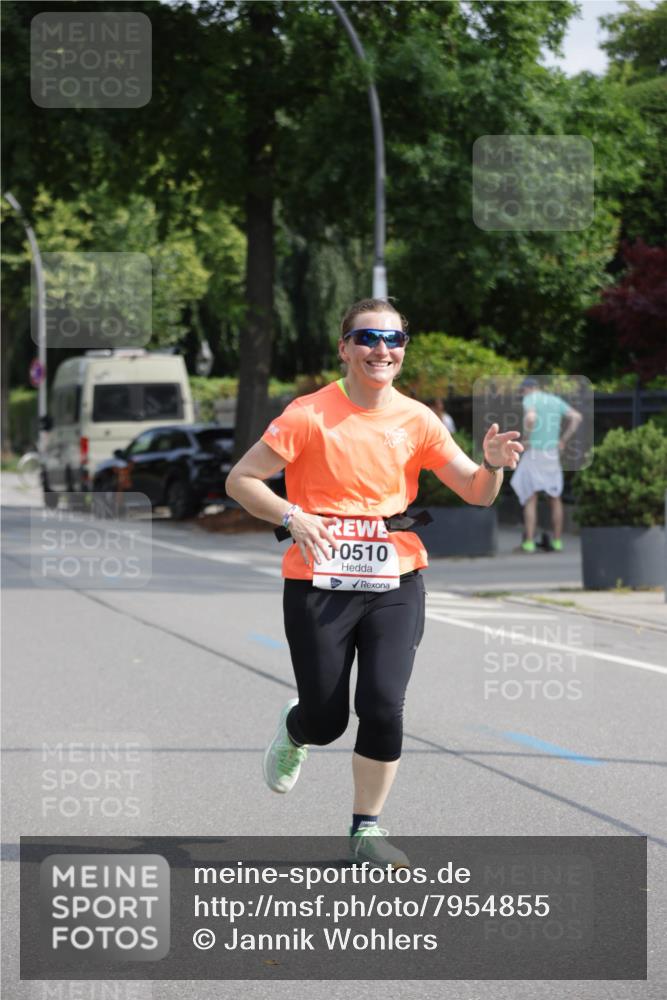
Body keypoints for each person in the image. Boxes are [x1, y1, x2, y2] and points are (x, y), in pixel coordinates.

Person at [225, 298, 523, 868]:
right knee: (327, 719)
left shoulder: (418, 419)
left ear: (403, 350)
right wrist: (293, 516)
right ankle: (297, 728)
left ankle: (366, 829)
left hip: (396, 575)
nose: (381, 349)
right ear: (344, 347)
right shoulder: (308, 414)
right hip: (317, 578)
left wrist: (492, 465)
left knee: (384, 703)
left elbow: (477, 493)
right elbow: (241, 480)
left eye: (394, 339)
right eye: (367, 338)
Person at [510, 377, 583, 553]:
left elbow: (531, 417)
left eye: (522, 391)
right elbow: (576, 417)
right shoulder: (554, 400)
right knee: (555, 497)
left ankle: (528, 542)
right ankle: (557, 541)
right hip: (552, 453)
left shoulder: (530, 399)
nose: (522, 395)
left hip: (534, 452)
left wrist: (526, 438)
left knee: (531, 497)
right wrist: (563, 440)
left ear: (528, 389)